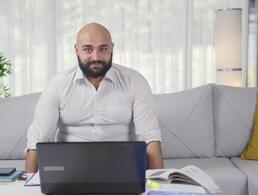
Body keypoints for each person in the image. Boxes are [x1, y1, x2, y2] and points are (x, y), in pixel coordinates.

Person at [25, 23, 164, 173]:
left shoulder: (135, 82)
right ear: (76, 50)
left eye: (103, 49)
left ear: (112, 49)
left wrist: (159, 185)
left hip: (122, 169)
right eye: (88, 49)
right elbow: (38, 140)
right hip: (70, 170)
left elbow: (150, 138)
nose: (96, 57)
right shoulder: (57, 85)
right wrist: (28, 189)